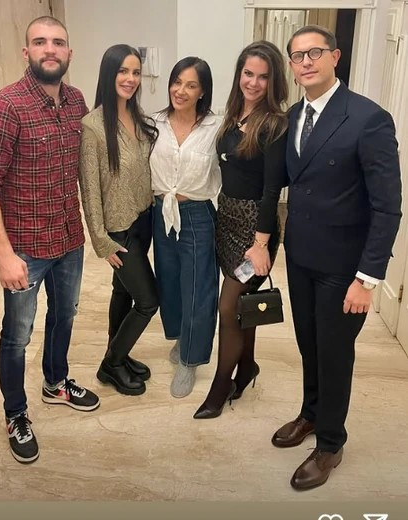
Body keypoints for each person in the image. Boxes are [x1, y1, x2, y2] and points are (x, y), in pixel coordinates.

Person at [272, 25, 402, 490]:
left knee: (334, 353)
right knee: (308, 345)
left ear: (335, 57)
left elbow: (387, 207)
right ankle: (310, 413)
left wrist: (367, 279)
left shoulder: (368, 118)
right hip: (301, 256)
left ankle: (330, 443)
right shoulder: (294, 115)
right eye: (297, 56)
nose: (305, 62)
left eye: (314, 53)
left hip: (344, 267)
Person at [0, 16, 100, 465]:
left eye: (58, 42)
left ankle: (55, 383)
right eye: (40, 42)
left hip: (68, 237)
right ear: (27, 52)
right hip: (24, 246)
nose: (50, 49)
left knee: (65, 316)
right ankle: (15, 413)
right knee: (17, 335)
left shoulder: (76, 101)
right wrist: (3, 253)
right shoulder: (4, 107)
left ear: (69, 52)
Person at [193, 41, 288, 419]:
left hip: (255, 231)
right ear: (239, 75)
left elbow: (272, 191)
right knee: (242, 307)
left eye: (263, 77)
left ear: (273, 82)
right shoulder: (232, 116)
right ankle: (247, 367)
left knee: (229, 305)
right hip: (227, 220)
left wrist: (261, 245)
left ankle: (220, 388)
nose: (253, 82)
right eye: (248, 73)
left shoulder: (274, 124)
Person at [79, 44, 159, 397]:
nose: (130, 79)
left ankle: (118, 353)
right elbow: (89, 188)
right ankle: (111, 364)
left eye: (136, 72)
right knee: (148, 301)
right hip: (119, 230)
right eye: (123, 71)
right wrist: (101, 240)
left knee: (123, 291)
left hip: (144, 221)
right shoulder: (93, 126)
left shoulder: (140, 118)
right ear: (109, 74)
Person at [150, 57, 221, 398]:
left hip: (197, 215)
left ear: (202, 91)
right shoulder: (154, 123)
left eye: (191, 85)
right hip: (160, 213)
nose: (181, 90)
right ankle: (181, 337)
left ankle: (190, 360)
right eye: (177, 82)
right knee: (169, 282)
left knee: (198, 288)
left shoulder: (216, 128)